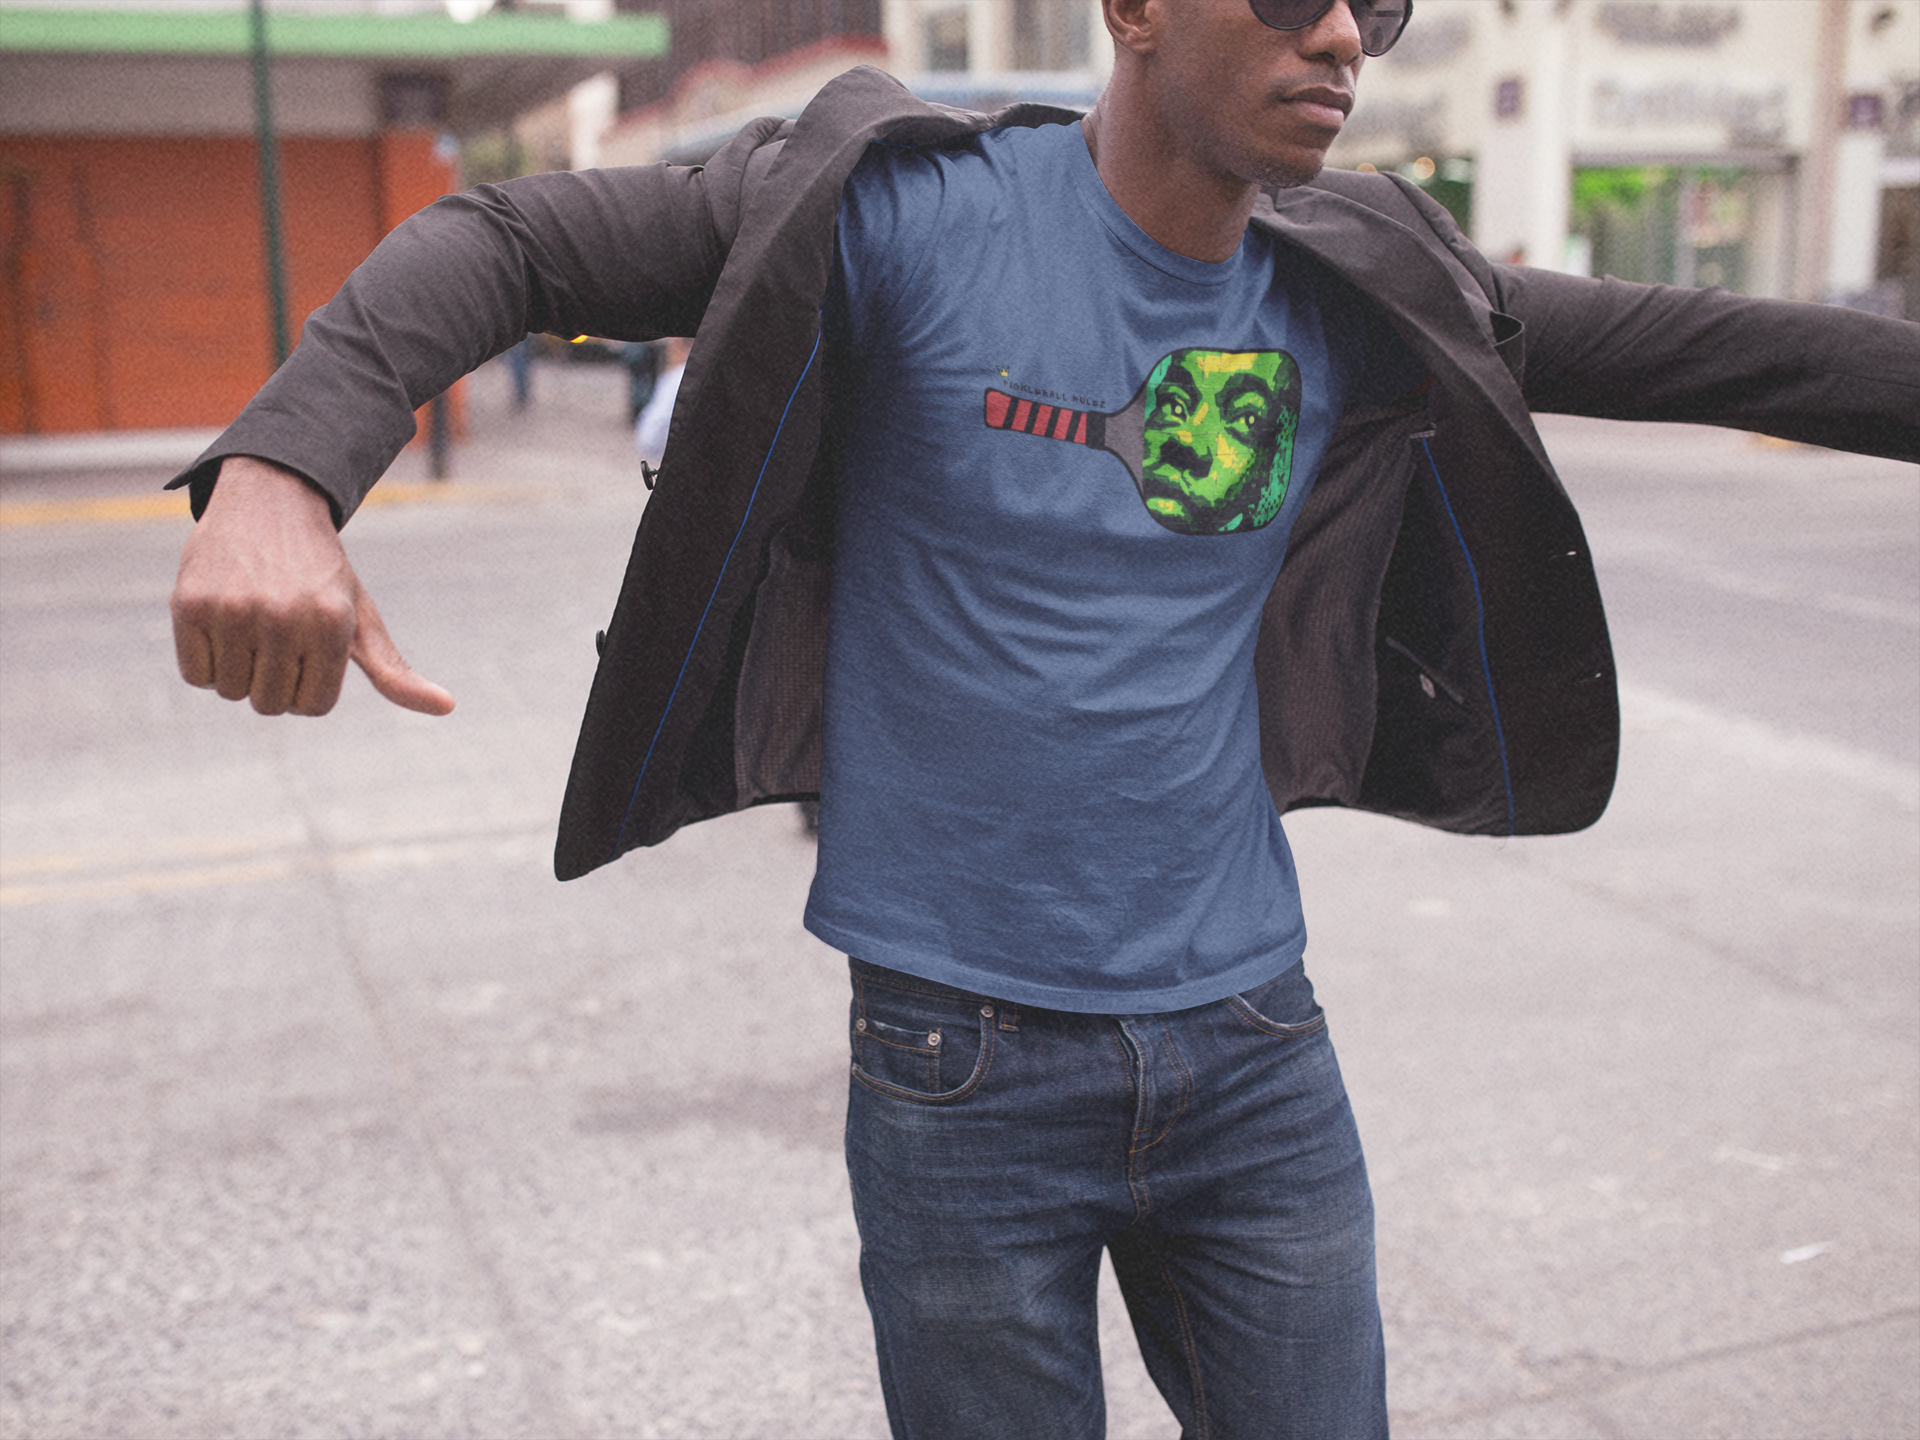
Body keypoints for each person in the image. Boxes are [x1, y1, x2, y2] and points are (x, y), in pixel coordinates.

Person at [165, 1, 1919, 1435]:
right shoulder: (905, 214)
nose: (1343, 42)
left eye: (1375, 10)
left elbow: (1719, 349)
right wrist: (279, 474)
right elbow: (513, 232)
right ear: (1137, 11)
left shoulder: (1358, 281)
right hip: (958, 1070)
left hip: (1253, 1043)